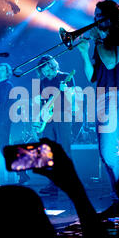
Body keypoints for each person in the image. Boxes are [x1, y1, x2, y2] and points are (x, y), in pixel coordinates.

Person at [76, 0, 119, 200]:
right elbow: (92, 76)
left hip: (116, 94)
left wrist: (98, 39)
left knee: (109, 151)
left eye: (99, 15)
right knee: (104, 152)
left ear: (110, 16)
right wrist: (84, 53)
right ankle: (118, 192)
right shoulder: (101, 41)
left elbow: (110, 62)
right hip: (102, 96)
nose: (95, 19)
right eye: (95, 15)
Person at [33, 55, 78, 195]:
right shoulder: (43, 82)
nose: (46, 73)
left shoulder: (65, 77)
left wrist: (65, 90)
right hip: (49, 120)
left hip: (63, 117)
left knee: (64, 150)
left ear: (53, 65)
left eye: (47, 69)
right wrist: (40, 117)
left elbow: (73, 100)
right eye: (43, 71)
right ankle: (53, 184)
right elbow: (43, 103)